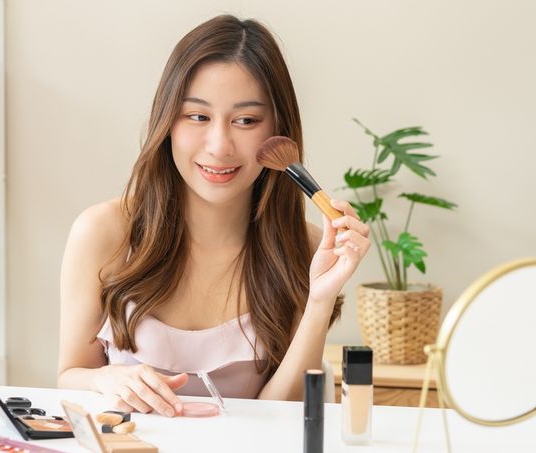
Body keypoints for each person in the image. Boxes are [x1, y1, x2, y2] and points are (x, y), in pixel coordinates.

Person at [57, 14, 370, 417]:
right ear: (167, 121)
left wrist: (319, 302)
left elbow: (284, 416)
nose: (220, 146)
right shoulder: (101, 232)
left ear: (278, 132)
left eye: (246, 121)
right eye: (198, 116)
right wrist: (104, 379)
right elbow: (69, 375)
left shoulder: (307, 248)